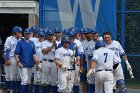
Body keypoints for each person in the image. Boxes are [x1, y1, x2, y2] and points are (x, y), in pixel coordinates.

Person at [14, 28, 39, 93]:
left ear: (30, 34)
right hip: (23, 64)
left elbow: (34, 54)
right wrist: (18, 62)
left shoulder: (32, 43)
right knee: (24, 81)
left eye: (28, 33)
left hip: (30, 64)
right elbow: (16, 54)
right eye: (26, 33)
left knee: (28, 81)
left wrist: (37, 64)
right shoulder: (20, 42)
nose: (27, 35)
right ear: (24, 34)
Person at [4, 26, 22, 93]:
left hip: (19, 59)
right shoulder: (9, 39)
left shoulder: (22, 39)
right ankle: (11, 90)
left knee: (19, 75)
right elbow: (7, 50)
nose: (20, 33)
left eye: (20, 32)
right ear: (15, 33)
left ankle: (17, 90)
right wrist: (7, 59)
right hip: (12, 58)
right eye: (19, 32)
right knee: (12, 75)